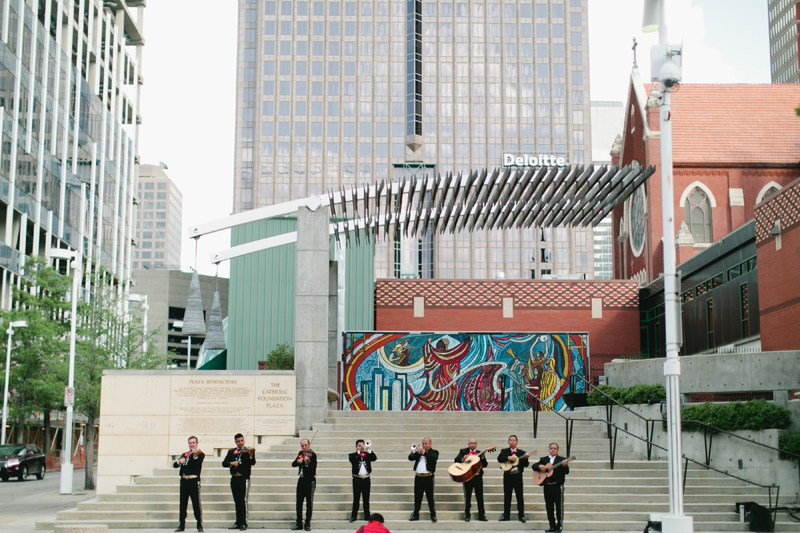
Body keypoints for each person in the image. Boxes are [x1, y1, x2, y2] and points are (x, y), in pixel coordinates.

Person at [222, 433, 256, 531]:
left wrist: (250, 455)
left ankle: (244, 522)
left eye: (242, 441)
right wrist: (231, 463)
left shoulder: (249, 451)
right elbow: (224, 463)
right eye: (238, 441)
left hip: (244, 478)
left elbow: (252, 462)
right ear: (235, 442)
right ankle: (238, 522)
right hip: (234, 478)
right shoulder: (231, 452)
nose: (241, 443)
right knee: (237, 501)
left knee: (243, 501)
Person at [173, 436, 204, 532]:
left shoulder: (200, 454)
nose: (191, 444)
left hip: (193, 481)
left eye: (193, 443)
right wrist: (179, 461)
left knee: (196, 503)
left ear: (197, 444)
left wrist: (194, 456)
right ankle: (181, 524)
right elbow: (175, 465)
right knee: (183, 504)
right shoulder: (185, 454)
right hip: (184, 481)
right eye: (190, 443)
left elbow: (196, 464)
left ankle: (199, 524)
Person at [536, 442, 570, 533]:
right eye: (551, 448)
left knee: (558, 507)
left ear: (557, 450)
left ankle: (559, 526)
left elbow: (566, 472)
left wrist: (565, 466)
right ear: (549, 449)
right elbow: (534, 466)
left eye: (555, 448)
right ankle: (552, 526)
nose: (553, 450)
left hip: (557, 486)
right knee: (549, 507)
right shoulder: (544, 459)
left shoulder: (561, 460)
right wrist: (540, 466)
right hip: (547, 486)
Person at [497, 435, 532, 523]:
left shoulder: (521, 452)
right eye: (511, 440)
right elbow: (499, 458)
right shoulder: (504, 451)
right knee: (507, 496)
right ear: (508, 442)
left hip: (517, 476)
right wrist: (508, 457)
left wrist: (525, 458)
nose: (512, 441)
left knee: (519, 496)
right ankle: (506, 515)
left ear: (517, 442)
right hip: (508, 475)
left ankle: (521, 515)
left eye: (514, 440)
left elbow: (526, 464)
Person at [454, 438, 488, 522]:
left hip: (477, 477)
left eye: (474, 443)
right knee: (468, 496)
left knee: (479, 496)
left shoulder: (479, 453)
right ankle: (467, 514)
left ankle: (481, 515)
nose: (473, 445)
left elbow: (485, 464)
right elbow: (456, 460)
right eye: (471, 443)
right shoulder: (463, 451)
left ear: (476, 445)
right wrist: (463, 458)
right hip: (468, 477)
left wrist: (483, 457)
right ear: (468, 444)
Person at [408, 437, 439, 522]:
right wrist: (414, 451)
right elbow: (410, 458)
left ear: (430, 444)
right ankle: (415, 514)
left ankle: (433, 515)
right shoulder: (419, 453)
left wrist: (424, 452)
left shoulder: (434, 452)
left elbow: (433, 459)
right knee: (417, 497)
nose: (424, 445)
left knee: (430, 497)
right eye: (423, 444)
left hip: (428, 477)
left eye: (426, 444)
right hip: (418, 477)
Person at [349, 439, 378, 522]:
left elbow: (374, 458)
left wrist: (369, 449)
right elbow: (352, 459)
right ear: (356, 447)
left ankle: (367, 515)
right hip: (357, 479)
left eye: (362, 446)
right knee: (356, 498)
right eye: (359, 446)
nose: (361, 447)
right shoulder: (353, 455)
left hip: (366, 479)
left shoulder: (368, 455)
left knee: (366, 498)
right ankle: (354, 515)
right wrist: (358, 452)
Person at [292, 438, 317, 531]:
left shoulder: (313, 455)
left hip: (310, 481)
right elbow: (293, 464)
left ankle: (307, 524)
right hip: (301, 480)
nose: (304, 447)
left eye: (305, 445)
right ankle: (299, 523)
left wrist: (306, 463)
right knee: (299, 502)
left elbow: (312, 469)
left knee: (309, 503)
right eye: (302, 446)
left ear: (309, 445)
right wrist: (299, 461)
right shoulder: (300, 454)